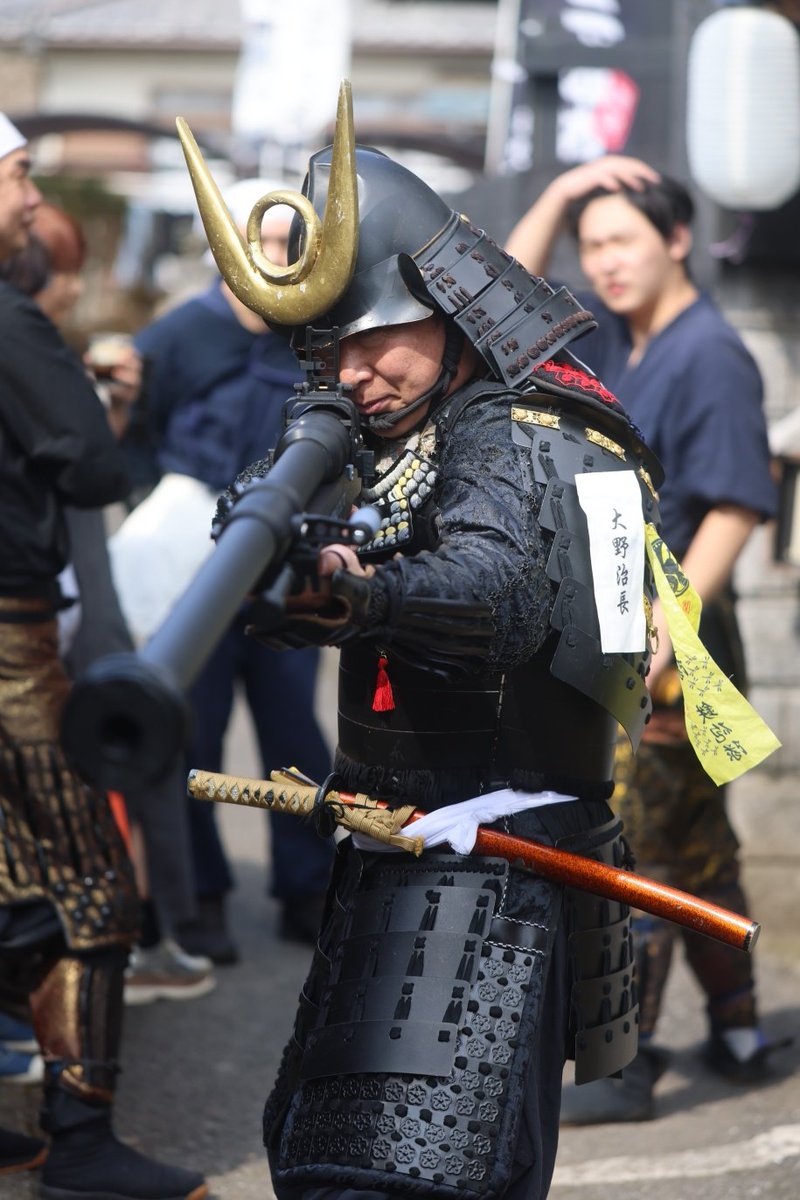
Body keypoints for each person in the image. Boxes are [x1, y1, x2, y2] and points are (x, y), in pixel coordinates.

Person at [194, 130, 664, 1200]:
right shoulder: (373, 425)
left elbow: (495, 589)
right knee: (326, 1161)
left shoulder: (527, 426)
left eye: (374, 342)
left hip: (495, 866)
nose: (353, 374)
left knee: (416, 1178)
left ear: (450, 315)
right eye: (330, 351)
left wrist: (364, 592)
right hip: (387, 851)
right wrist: (289, 566)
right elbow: (270, 547)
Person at [506, 154, 780, 1122]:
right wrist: (559, 192)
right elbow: (495, 303)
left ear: (675, 241)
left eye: (623, 240)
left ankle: (624, 1061)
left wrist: (664, 626)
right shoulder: (618, 336)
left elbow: (738, 504)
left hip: (670, 642)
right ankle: (741, 1029)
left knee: (632, 848)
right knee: (693, 841)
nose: (605, 262)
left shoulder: (707, 353)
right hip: (627, 627)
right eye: (592, 247)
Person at [0, 112, 206, 1197]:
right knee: (87, 889)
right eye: (22, 176)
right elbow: (87, 465)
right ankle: (79, 1147)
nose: (34, 201)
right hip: (10, 647)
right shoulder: (9, 320)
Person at [117, 179, 335, 963]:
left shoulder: (314, 339)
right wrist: (158, 510)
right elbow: (134, 437)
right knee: (194, 731)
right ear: (227, 248)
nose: (279, 261)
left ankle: (307, 887)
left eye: (289, 247)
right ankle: (200, 895)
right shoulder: (176, 336)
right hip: (192, 572)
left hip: (289, 567)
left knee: (294, 732)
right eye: (265, 245)